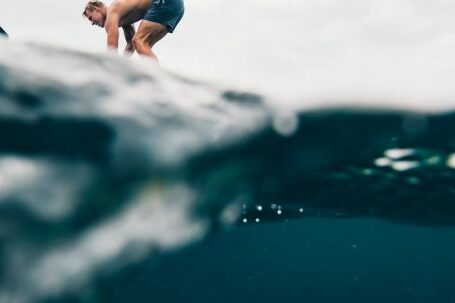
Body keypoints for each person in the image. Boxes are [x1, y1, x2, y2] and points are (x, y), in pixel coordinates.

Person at [82, 0, 184, 60]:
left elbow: (111, 53)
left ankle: (158, 80)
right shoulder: (120, 15)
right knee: (144, 46)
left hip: (164, 3)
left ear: (96, 9)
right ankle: (158, 81)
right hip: (177, 6)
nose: (92, 23)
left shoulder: (111, 16)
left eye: (91, 18)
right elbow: (130, 45)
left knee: (139, 41)